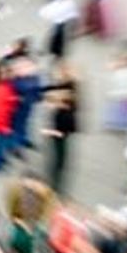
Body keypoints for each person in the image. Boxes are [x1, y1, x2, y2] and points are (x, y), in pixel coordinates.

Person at [43, 66, 79, 194]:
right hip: (62, 133)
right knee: (58, 160)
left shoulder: (63, 114)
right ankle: (54, 182)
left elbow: (61, 132)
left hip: (60, 135)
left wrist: (48, 131)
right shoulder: (68, 100)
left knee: (58, 161)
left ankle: (54, 185)